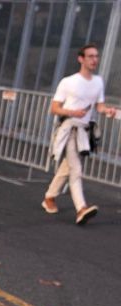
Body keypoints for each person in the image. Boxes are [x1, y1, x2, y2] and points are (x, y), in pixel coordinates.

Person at [42, 43, 118, 225]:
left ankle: (49, 197)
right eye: (90, 56)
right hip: (68, 128)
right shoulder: (68, 82)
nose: (94, 60)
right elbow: (54, 108)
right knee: (76, 169)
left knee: (68, 166)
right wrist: (73, 112)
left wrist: (108, 111)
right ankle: (81, 208)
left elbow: (99, 106)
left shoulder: (98, 81)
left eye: (96, 56)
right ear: (81, 59)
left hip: (84, 131)